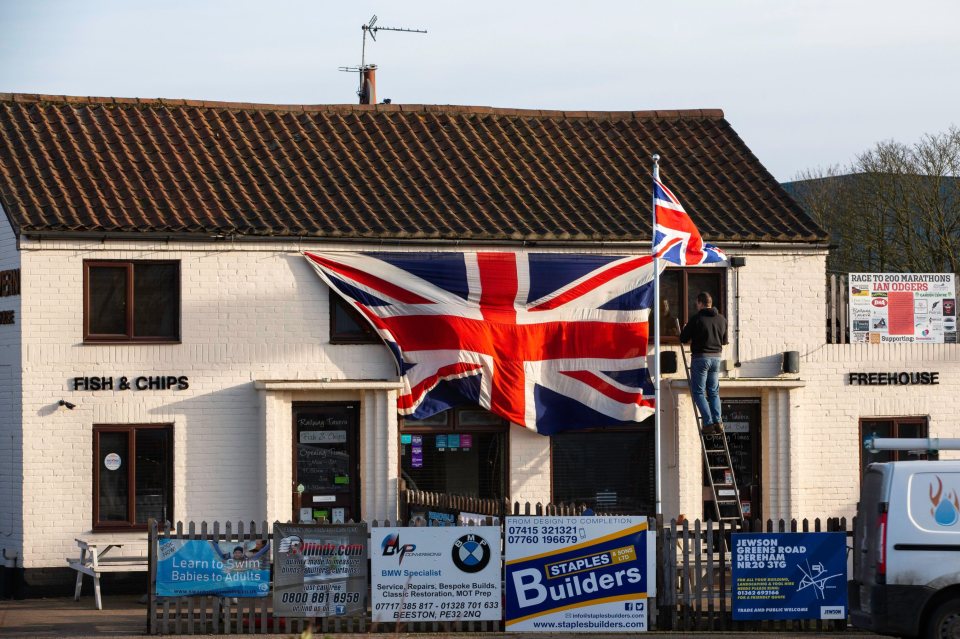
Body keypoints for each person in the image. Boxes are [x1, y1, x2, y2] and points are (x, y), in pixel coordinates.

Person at [679, 292, 728, 435]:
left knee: (699, 392)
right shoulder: (722, 319)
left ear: (700, 303)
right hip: (716, 359)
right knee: (713, 392)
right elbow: (724, 341)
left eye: (697, 304)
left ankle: (708, 423)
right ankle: (718, 421)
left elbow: (683, 338)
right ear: (710, 303)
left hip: (701, 358)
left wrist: (686, 328)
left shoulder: (697, 319)